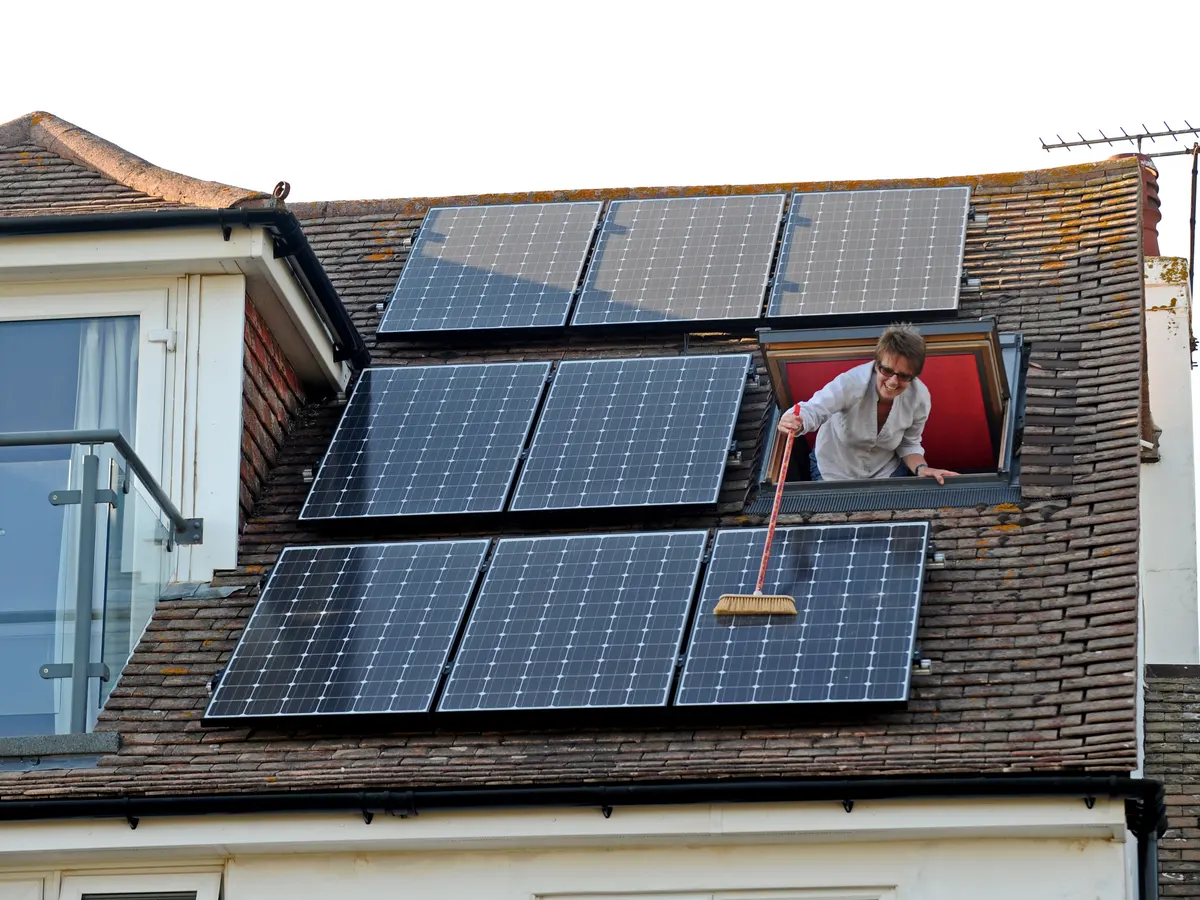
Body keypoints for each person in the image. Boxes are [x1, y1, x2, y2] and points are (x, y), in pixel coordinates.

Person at [777, 323, 959, 484]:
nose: (893, 381)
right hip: (834, 471)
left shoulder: (920, 398)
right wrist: (794, 419)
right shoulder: (850, 383)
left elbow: (909, 444)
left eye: (903, 376)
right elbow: (814, 409)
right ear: (876, 365)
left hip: (887, 472)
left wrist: (921, 469)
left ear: (914, 376)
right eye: (887, 370)